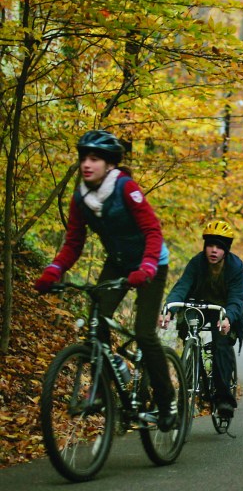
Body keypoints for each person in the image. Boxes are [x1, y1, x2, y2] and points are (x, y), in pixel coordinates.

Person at [34, 129, 178, 432]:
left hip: (152, 262)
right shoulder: (81, 197)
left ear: (109, 164)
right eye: (84, 158)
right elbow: (74, 243)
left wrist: (149, 265)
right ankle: (102, 386)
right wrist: (53, 270)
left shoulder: (126, 188)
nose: (87, 164)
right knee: (96, 321)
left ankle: (167, 403)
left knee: (144, 333)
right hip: (118, 263)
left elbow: (153, 231)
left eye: (95, 158)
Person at [161, 220, 243, 418]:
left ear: (226, 250)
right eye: (210, 245)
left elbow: (237, 299)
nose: (213, 250)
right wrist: (169, 310)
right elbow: (182, 287)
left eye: (219, 247)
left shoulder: (235, 268)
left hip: (223, 310)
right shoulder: (196, 263)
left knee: (221, 344)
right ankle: (192, 369)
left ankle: (224, 398)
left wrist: (229, 318)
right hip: (198, 305)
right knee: (187, 330)